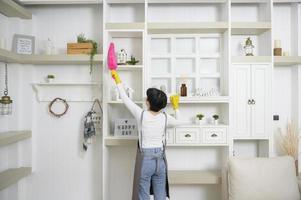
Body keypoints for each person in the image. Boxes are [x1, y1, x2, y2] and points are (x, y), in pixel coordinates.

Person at [111, 70, 185, 200]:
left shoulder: (141, 115)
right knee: (160, 195)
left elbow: (125, 98)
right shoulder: (165, 117)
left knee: (144, 194)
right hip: (160, 160)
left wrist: (117, 79)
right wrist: (176, 106)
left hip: (146, 160)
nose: (146, 99)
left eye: (147, 98)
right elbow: (179, 122)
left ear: (149, 103)